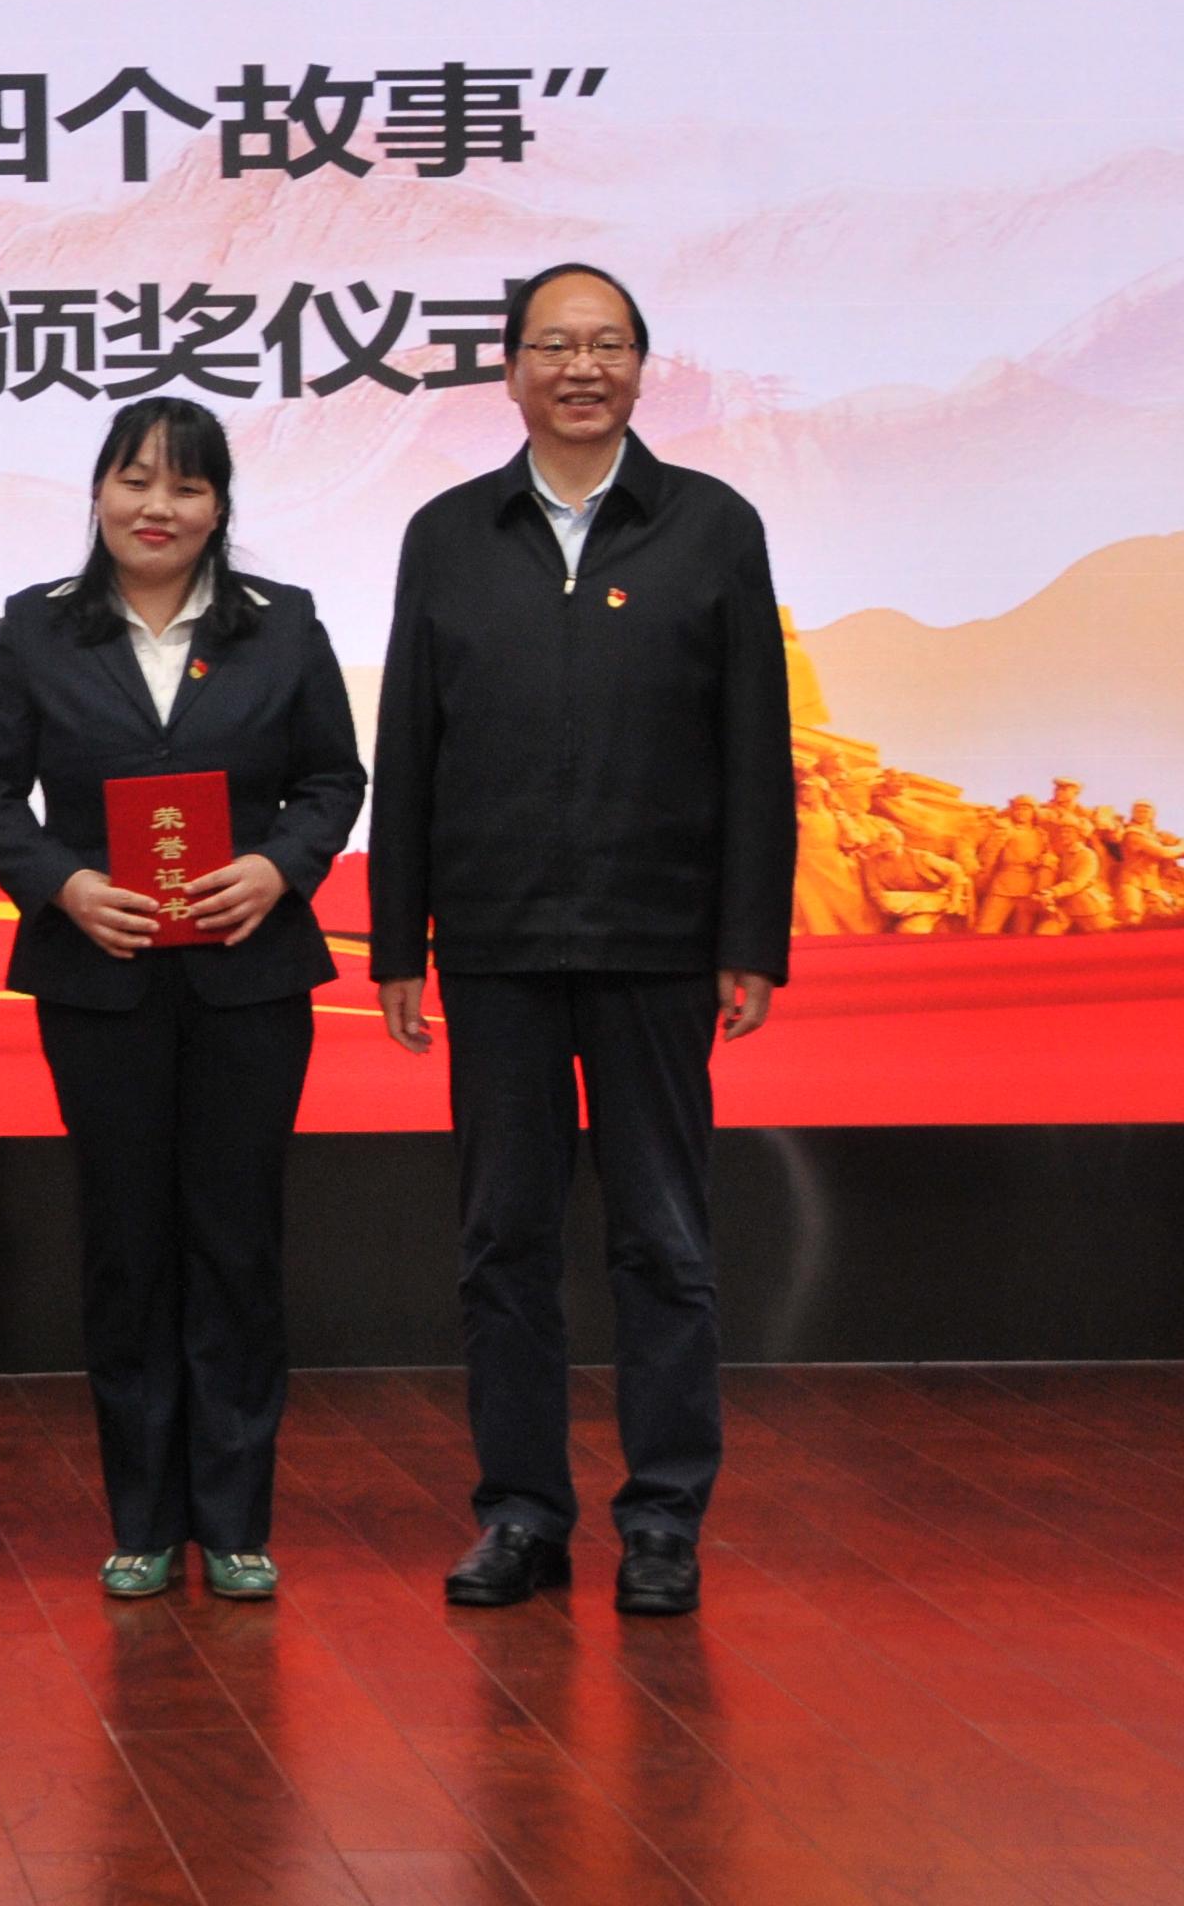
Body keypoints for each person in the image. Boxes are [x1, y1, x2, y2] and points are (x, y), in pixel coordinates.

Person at [371, 261, 791, 1622]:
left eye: (606, 344)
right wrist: (397, 937)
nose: (581, 367)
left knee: (663, 1240)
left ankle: (663, 1518)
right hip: (495, 939)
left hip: (655, 936)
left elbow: (755, 742)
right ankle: (520, 1513)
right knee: (503, 1241)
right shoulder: (449, 533)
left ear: (640, 368)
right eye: (554, 345)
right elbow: (409, 743)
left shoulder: (711, 525)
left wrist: (750, 933)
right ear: (510, 371)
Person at [0, 399, 367, 1602]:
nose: (157, 507)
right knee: (126, 1244)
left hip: (249, 977)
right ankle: (141, 1517)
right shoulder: (37, 628)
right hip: (100, 978)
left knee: (235, 1241)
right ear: (97, 492)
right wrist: (63, 884)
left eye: (186, 487)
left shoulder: (282, 624)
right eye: (135, 480)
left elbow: (332, 779)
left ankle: (233, 1518)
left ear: (219, 507)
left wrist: (278, 867)